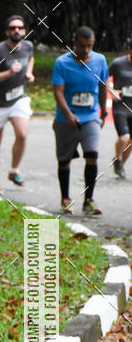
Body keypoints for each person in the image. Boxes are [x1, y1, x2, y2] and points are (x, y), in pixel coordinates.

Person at [52, 26, 108, 216]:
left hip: (90, 116)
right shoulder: (62, 63)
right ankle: (65, 198)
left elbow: (103, 86)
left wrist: (103, 112)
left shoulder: (100, 60)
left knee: (92, 155)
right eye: (82, 46)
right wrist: (68, 114)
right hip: (65, 118)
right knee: (64, 160)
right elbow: (58, 92)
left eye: (89, 46)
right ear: (74, 43)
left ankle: (88, 200)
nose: (86, 50)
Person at [0, 15, 34, 190]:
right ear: (7, 32)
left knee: (22, 135)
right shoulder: (0, 51)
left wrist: (29, 72)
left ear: (24, 31)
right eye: (13, 28)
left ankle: (14, 170)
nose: (16, 31)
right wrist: (9, 73)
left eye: (20, 28)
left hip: (19, 99)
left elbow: (31, 58)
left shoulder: (28, 46)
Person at [108, 38, 132, 179]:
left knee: (131, 141)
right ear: (129, 50)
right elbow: (103, 77)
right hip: (120, 107)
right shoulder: (118, 63)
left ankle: (120, 165)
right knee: (124, 137)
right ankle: (118, 158)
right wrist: (111, 91)